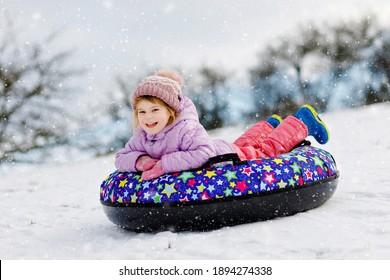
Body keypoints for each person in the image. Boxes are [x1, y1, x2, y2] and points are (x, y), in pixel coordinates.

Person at [115, 69, 329, 180]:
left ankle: (303, 122)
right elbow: (121, 157)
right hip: (224, 148)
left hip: (224, 157)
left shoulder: (185, 128)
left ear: (170, 111)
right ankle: (269, 126)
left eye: (155, 110)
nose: (148, 117)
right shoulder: (142, 135)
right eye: (141, 112)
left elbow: (204, 153)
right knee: (247, 144)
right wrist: (140, 161)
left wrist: (164, 164)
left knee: (265, 151)